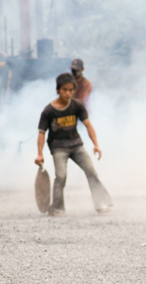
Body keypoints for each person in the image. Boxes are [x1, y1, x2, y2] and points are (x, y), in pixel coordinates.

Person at [35, 73, 113, 216]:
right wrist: (40, 154)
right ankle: (57, 208)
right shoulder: (48, 111)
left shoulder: (77, 105)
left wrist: (96, 144)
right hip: (58, 147)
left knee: (91, 171)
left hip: (76, 145)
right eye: (65, 90)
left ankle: (101, 203)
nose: (68, 93)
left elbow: (88, 125)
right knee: (61, 176)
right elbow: (41, 133)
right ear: (58, 89)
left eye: (71, 90)